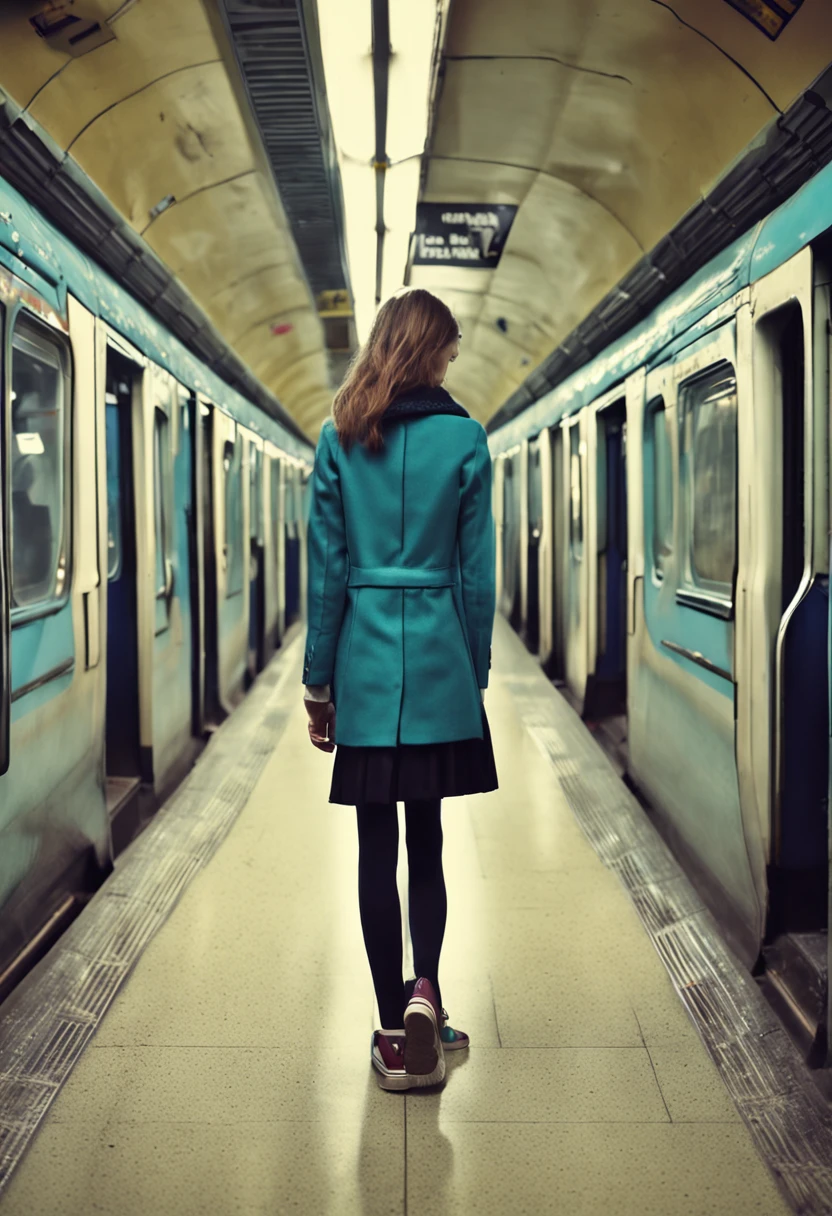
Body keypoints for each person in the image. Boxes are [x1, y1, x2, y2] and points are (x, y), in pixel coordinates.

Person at [302, 287, 498, 1092]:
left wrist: (320, 684)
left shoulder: (339, 438)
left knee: (374, 850)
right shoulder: (467, 440)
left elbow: (327, 575)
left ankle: (390, 1030)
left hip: (369, 672)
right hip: (441, 669)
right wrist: (471, 672)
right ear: (430, 352)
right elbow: (477, 579)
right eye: (449, 350)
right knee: (429, 844)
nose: (454, 362)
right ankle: (429, 992)